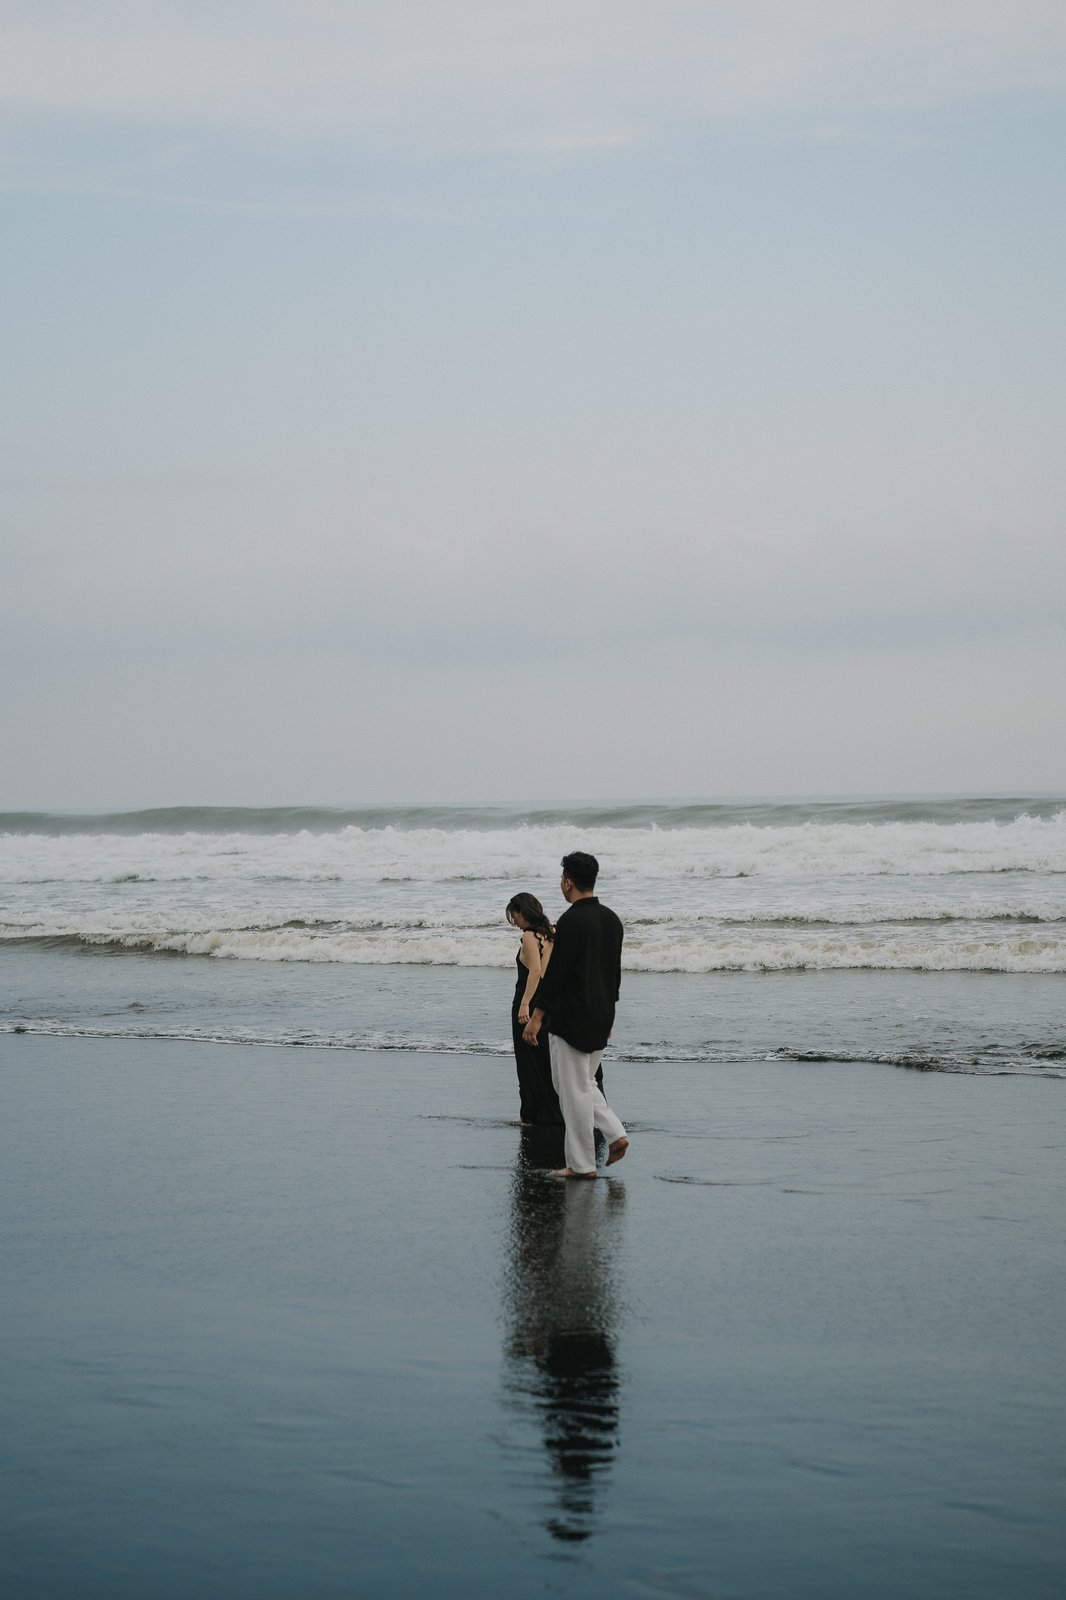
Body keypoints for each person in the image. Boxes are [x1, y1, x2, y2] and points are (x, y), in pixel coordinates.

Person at [523, 852, 629, 1178]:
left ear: (568, 882)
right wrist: (609, 1016)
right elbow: (614, 975)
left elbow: (557, 976)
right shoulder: (612, 920)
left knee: (572, 1091)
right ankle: (615, 1133)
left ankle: (581, 1166)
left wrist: (537, 1016)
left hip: (571, 1017)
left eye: (561, 879)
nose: (560, 884)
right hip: (600, 1014)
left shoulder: (570, 921)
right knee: (580, 1084)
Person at [506, 893, 563, 1126]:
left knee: (527, 1060)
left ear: (522, 912)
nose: (514, 921)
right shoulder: (552, 933)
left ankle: (530, 1115)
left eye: (514, 915)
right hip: (549, 1003)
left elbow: (535, 972)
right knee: (547, 1060)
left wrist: (524, 1004)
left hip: (529, 1001)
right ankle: (553, 1111)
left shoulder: (530, 936)